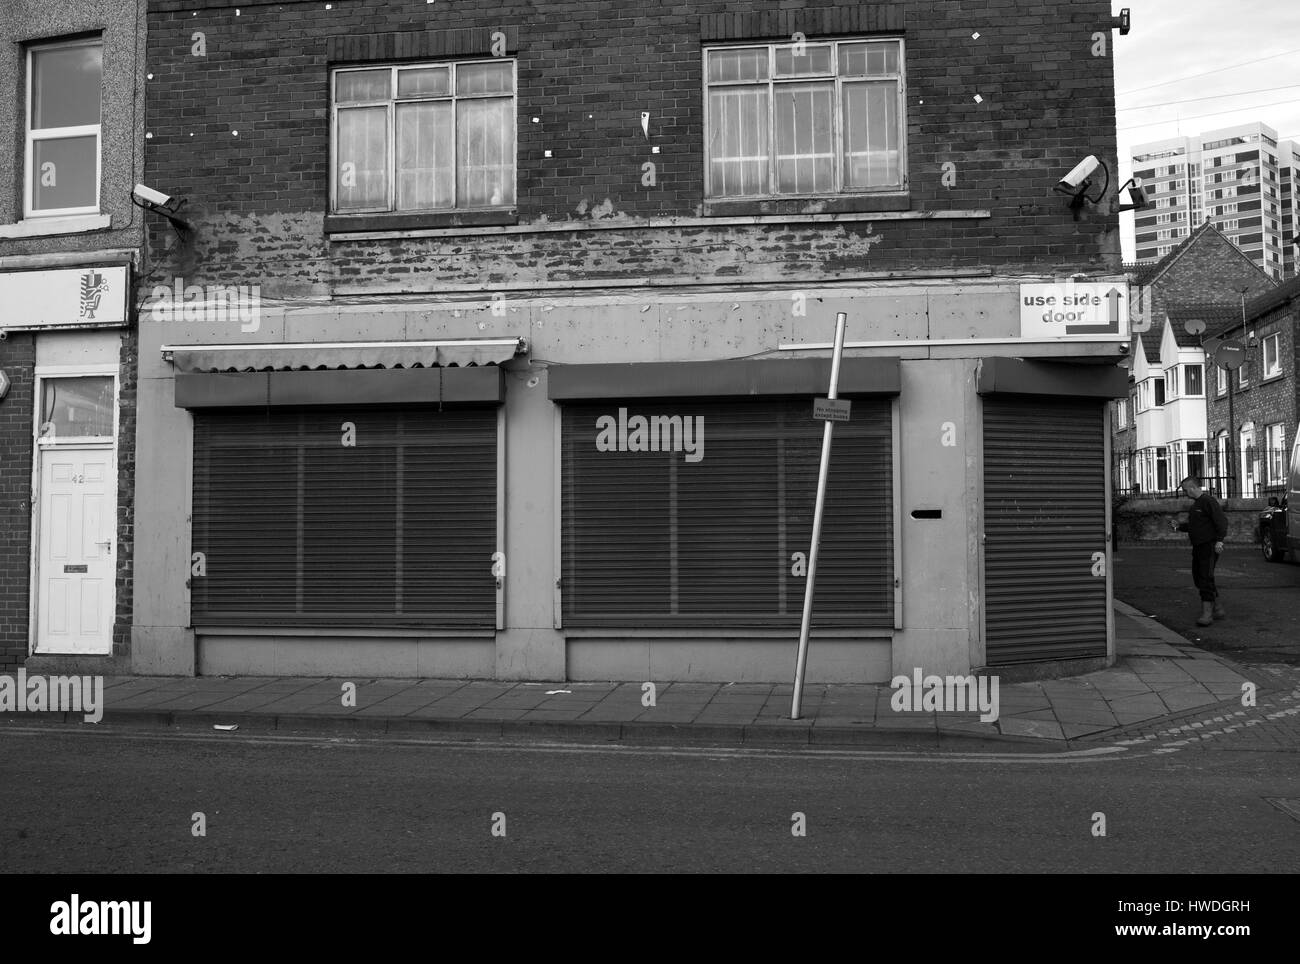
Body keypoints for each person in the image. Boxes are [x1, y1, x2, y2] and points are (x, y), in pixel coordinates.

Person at [1168, 475, 1229, 626]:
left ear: (1193, 487)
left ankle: (1207, 614)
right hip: (1198, 546)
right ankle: (1218, 608)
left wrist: (1220, 541)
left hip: (1209, 545)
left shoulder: (1208, 502)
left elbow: (1221, 522)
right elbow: (1194, 526)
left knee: (1205, 577)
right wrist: (1179, 526)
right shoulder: (1196, 505)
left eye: (1185, 489)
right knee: (1199, 576)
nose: (1184, 492)